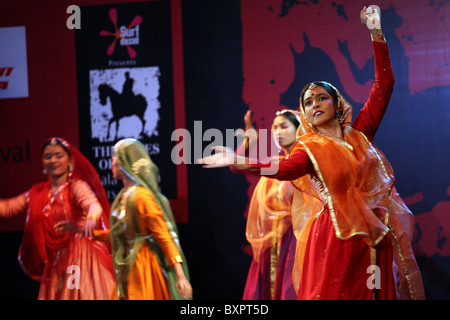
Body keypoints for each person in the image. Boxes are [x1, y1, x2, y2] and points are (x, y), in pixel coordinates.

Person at [200, 6, 425, 300]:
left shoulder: (359, 135)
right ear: (304, 112)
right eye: (308, 102)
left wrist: (375, 33)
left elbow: (385, 84)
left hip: (373, 234)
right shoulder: (310, 148)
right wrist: (239, 161)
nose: (315, 104)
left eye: (322, 98)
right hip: (335, 237)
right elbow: (283, 170)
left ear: (337, 104)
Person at [0, 137, 115, 299]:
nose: (53, 160)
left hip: (81, 254)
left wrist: (91, 218)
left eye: (58, 156)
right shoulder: (38, 192)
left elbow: (93, 205)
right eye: (48, 157)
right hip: (58, 258)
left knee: (78, 294)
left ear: (70, 161)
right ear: (43, 163)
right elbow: (8, 207)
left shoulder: (76, 187)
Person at [93, 138, 192, 300]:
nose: (111, 162)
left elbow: (164, 236)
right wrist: (91, 233)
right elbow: (121, 235)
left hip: (143, 269)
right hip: (127, 267)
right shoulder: (123, 196)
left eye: (114, 157)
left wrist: (180, 275)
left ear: (125, 161)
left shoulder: (141, 197)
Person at [234, 109, 300, 300]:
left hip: (296, 242)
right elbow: (236, 166)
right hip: (271, 243)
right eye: (274, 128)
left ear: (299, 130)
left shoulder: (306, 164)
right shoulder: (275, 164)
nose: (278, 132)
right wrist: (249, 136)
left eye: (284, 127)